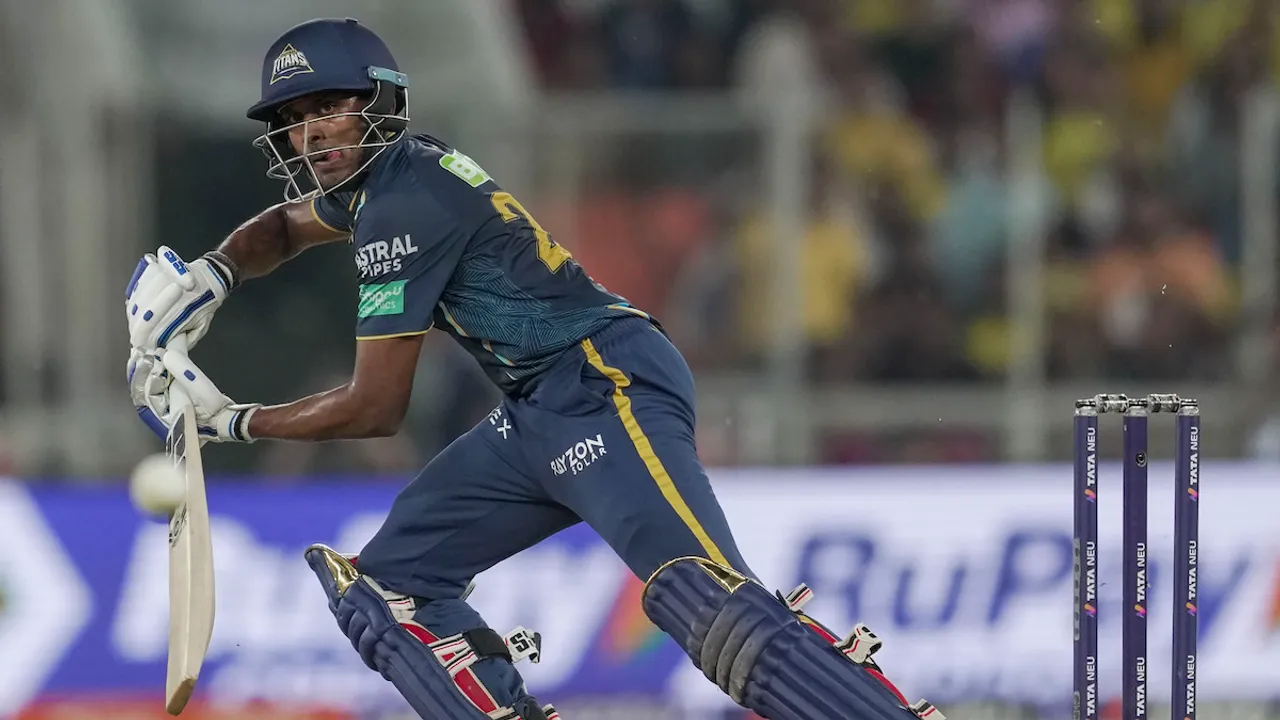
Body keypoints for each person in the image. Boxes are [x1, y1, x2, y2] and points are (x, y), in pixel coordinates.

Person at [124, 17, 943, 720]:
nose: (312, 133)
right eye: (297, 118)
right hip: (534, 410)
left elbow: (376, 409)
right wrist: (212, 274)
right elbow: (286, 228)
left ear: (379, 104)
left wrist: (230, 419)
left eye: (330, 108)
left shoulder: (402, 211)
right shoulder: (380, 185)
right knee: (391, 589)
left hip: (602, 383)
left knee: (703, 599)